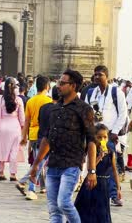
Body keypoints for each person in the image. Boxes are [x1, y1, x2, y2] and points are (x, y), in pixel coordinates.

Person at [29, 69, 98, 223]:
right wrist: (36, 164)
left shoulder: (84, 109)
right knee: (54, 210)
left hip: (71, 164)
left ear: (73, 86)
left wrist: (92, 170)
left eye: (62, 83)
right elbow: (47, 139)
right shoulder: (54, 109)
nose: (58, 86)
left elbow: (92, 140)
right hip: (53, 164)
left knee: (64, 203)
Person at [85, 65, 128, 189]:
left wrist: (115, 132)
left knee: (110, 165)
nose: (97, 77)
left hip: (108, 135)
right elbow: (88, 113)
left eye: (100, 75)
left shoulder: (116, 93)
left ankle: (115, 192)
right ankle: (96, 188)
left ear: (107, 77)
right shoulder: (91, 93)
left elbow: (123, 114)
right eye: (96, 74)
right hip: (95, 135)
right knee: (95, 162)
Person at [75, 123, 121, 223]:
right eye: (99, 137)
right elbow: (90, 168)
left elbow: (114, 170)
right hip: (91, 183)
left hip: (104, 184)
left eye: (105, 137)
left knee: (102, 211)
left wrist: (118, 188)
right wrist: (99, 157)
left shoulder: (111, 153)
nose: (102, 140)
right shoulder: (92, 149)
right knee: (87, 210)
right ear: (95, 137)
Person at [17, 76, 51, 200]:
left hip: (33, 134)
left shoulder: (30, 101)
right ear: (47, 86)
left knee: (38, 161)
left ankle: (42, 186)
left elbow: (27, 120)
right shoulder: (49, 101)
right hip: (44, 135)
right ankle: (29, 186)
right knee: (39, 162)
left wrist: (23, 136)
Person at [0, 78, 25, 181]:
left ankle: (1, 173)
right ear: (15, 87)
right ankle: (13, 174)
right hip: (15, 127)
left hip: (2, 126)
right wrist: (23, 129)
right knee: (14, 151)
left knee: (1, 149)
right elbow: (22, 118)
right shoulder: (18, 100)